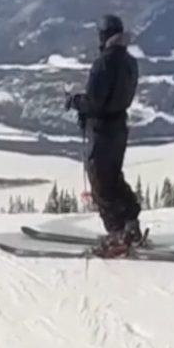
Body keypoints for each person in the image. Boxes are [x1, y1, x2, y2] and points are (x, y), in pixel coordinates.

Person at [65, 13, 143, 255]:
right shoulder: (130, 61)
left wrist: (75, 101)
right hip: (120, 125)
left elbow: (95, 101)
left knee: (100, 181)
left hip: (102, 128)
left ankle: (117, 233)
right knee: (113, 176)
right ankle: (131, 223)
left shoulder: (104, 63)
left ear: (103, 36)